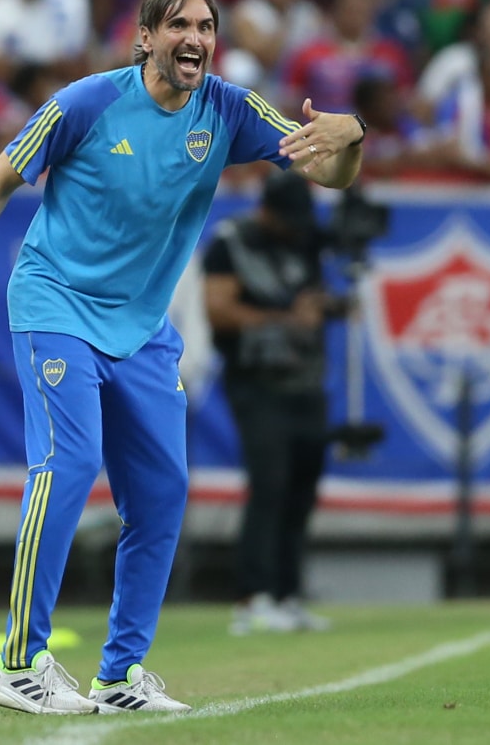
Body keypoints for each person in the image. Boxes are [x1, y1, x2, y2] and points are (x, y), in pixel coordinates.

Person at [0, 0, 365, 716]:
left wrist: (350, 137)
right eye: (180, 24)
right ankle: (18, 660)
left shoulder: (226, 107)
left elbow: (327, 170)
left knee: (162, 491)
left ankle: (120, 674)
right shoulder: (86, 102)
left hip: (140, 327)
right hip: (55, 303)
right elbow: (0, 177)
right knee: (69, 462)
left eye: (206, 26)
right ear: (146, 38)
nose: (196, 37)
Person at [203, 170, 336, 636]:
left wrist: (322, 309)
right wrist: (285, 320)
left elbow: (316, 297)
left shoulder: (303, 240)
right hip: (255, 380)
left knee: (302, 486)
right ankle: (251, 597)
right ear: (267, 211)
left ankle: (287, 593)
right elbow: (217, 309)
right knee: (270, 483)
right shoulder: (232, 241)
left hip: (305, 379)